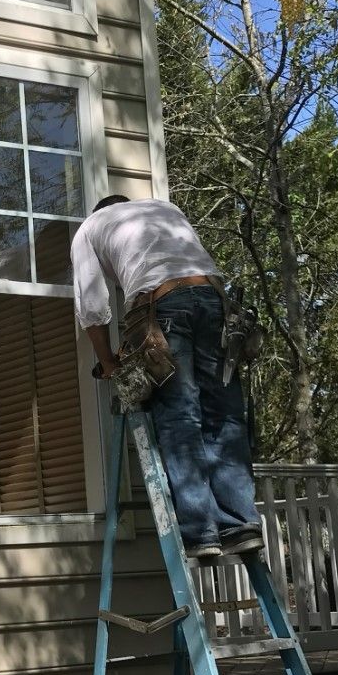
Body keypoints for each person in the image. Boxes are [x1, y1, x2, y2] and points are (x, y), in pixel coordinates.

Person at [71, 194, 264, 558]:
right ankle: (241, 524)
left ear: (100, 211)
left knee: (179, 414)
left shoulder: (90, 227)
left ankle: (201, 532)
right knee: (224, 413)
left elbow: (92, 307)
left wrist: (109, 362)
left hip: (163, 305)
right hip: (215, 300)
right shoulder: (164, 208)